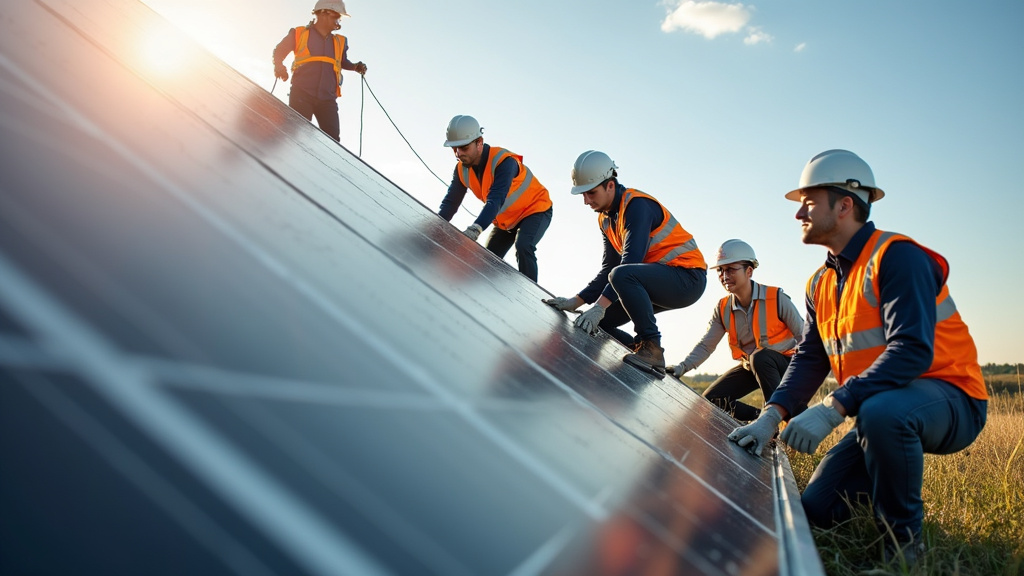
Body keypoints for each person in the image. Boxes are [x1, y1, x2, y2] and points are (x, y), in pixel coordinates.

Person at [727, 149, 988, 564]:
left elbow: (913, 349)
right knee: (812, 509)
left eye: (808, 203)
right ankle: (880, 494)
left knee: (884, 414)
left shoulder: (896, 256)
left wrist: (832, 409)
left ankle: (904, 547)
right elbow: (811, 358)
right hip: (882, 406)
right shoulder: (820, 283)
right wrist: (771, 415)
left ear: (845, 204)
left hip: (951, 399)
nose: (799, 215)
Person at [544, 150, 707, 377]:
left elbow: (629, 263)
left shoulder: (637, 206)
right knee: (600, 323)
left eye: (591, 193)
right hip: (651, 281)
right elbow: (608, 270)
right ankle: (639, 350)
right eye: (583, 195)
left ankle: (652, 346)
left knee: (619, 281)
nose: (586, 201)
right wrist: (576, 301)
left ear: (610, 185)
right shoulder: (605, 219)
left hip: (688, 278)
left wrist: (599, 306)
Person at [669, 239, 803, 421]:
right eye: (721, 270)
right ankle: (760, 420)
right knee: (712, 400)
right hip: (753, 366)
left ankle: (784, 418)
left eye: (731, 269)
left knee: (761, 357)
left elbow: (805, 338)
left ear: (749, 271)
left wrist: (802, 378)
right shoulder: (723, 308)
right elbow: (706, 345)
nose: (725, 276)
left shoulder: (776, 298)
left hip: (785, 365)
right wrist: (682, 367)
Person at [438, 115, 553, 282]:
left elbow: (496, 199)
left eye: (463, 148)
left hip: (535, 210)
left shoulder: (504, 162)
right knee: (486, 258)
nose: (458, 154)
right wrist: (436, 225)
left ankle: (532, 296)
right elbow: (450, 203)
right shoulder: (462, 170)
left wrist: (475, 229)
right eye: (454, 149)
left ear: (479, 142)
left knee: (523, 246)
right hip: (506, 221)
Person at [272, 0, 367, 142]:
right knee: (295, 135)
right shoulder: (299, 33)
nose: (338, 21)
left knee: (333, 142)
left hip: (328, 99)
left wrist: (355, 67)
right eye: (337, 16)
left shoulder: (340, 42)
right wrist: (279, 66)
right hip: (302, 94)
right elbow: (279, 51)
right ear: (324, 13)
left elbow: (342, 62)